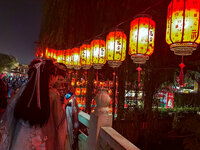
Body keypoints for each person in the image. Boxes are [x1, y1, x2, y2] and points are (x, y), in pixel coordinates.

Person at [0, 59, 67, 150]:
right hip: (42, 140)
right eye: (55, 75)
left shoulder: (24, 90)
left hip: (20, 138)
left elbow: (11, 115)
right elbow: (59, 124)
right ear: (50, 76)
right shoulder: (53, 95)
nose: (56, 79)